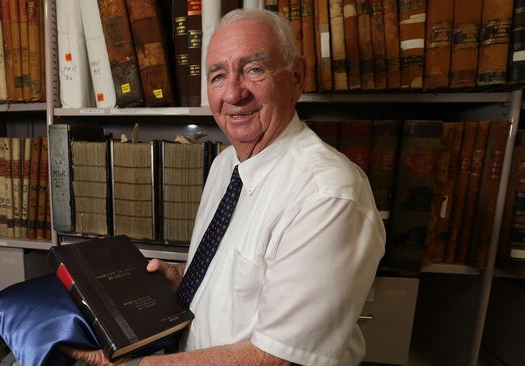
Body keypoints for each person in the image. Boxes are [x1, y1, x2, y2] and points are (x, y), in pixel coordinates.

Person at [63, 8, 385, 366]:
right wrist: (182, 282)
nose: (233, 93)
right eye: (218, 75)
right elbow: (239, 278)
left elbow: (276, 358)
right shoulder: (225, 165)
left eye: (254, 69)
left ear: (297, 77)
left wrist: (133, 365)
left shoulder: (327, 193)